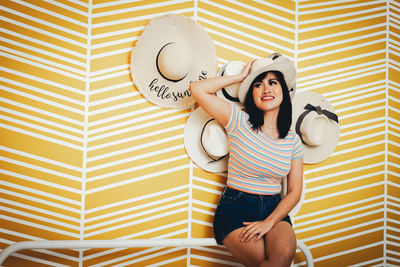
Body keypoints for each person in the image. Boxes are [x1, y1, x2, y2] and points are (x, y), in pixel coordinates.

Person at [189, 55, 304, 267]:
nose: (266, 89)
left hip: (274, 209)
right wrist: (240, 77)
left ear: (283, 90)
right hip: (237, 207)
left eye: (273, 82)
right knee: (263, 261)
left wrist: (269, 222)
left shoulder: (293, 141)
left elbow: (295, 191)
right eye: (258, 84)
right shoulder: (238, 121)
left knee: (285, 253)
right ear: (251, 94)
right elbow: (197, 89)